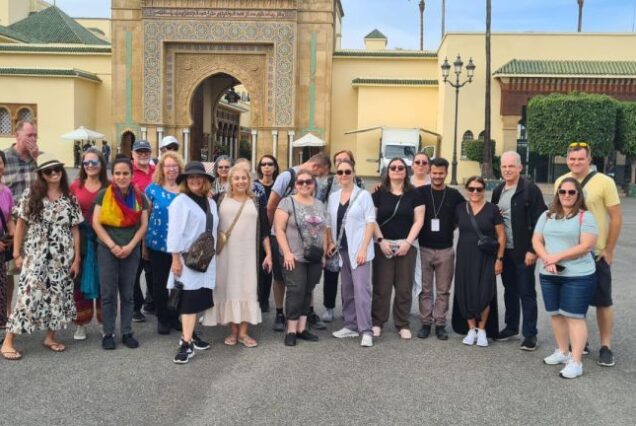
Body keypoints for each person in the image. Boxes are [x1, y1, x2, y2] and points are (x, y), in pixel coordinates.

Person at [1, 158, 82, 360]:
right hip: (36, 256)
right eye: (49, 171)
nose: (54, 174)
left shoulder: (69, 198)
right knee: (27, 296)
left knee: (58, 296)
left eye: (57, 170)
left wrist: (76, 258)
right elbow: (20, 224)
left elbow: (75, 230)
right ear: (42, 175)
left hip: (62, 258)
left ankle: (50, 337)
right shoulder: (32, 195)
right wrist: (16, 253)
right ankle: (8, 341)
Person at [555, 141, 622, 367]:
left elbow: (616, 217)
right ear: (567, 160)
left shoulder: (605, 182)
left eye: (580, 159)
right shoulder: (561, 182)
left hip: (596, 254)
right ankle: (579, 341)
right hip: (570, 254)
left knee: (603, 302)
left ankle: (606, 346)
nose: (576, 162)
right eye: (572, 159)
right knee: (574, 302)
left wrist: (609, 250)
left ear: (589, 160)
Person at [532, 177, 598, 379]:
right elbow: (536, 239)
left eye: (571, 192)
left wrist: (555, 257)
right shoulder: (547, 215)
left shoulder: (585, 217)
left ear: (578, 195)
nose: (566, 196)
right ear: (557, 194)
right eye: (563, 192)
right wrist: (546, 259)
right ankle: (562, 351)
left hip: (578, 275)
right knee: (556, 315)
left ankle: (576, 362)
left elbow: (586, 246)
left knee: (574, 317)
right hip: (550, 273)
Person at [202, 165, 271, 347]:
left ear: (249, 180)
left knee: (247, 289)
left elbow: (265, 230)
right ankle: (233, 331)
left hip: (249, 256)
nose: (240, 181)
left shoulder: (256, 201)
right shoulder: (219, 199)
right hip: (225, 255)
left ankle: (243, 333)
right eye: (237, 178)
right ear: (230, 180)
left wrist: (269, 254)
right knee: (228, 289)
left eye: (244, 178)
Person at [267, 152, 331, 332]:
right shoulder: (286, 176)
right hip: (279, 234)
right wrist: (275, 230)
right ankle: (280, 313)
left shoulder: (314, 183)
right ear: (316, 167)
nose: (314, 180)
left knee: (307, 278)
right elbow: (271, 205)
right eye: (319, 174)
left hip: (307, 237)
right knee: (280, 277)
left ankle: (308, 313)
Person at [491, 151, 547, 351]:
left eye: (511, 166)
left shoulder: (530, 190)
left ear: (520, 167)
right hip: (505, 251)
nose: (507, 170)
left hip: (524, 252)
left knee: (526, 292)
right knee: (510, 290)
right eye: (504, 166)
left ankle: (530, 334)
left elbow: (542, 221)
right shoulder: (498, 191)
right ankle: (511, 326)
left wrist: (534, 250)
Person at [93, 155, 149, 350]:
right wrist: (112, 245)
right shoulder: (103, 195)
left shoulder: (139, 197)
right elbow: (96, 223)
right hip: (108, 250)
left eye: (125, 173)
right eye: (117, 173)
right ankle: (108, 332)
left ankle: (127, 331)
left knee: (127, 294)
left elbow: (143, 225)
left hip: (130, 250)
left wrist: (131, 246)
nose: (121, 177)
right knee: (108, 294)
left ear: (131, 175)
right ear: (112, 175)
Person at [167, 161, 218, 364]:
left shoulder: (210, 202)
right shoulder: (180, 201)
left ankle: (192, 334)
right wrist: (174, 259)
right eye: (191, 177)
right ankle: (185, 343)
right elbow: (174, 232)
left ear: (205, 180)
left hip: (205, 259)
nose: (195, 180)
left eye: (199, 177)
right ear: (186, 181)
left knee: (198, 300)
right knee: (188, 301)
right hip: (187, 259)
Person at [371, 157, 425, 339]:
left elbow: (419, 220)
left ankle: (402, 323)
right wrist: (380, 241)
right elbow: (372, 220)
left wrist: (408, 243)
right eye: (392, 167)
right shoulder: (379, 193)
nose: (396, 170)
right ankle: (377, 321)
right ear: (387, 171)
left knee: (404, 287)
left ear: (406, 171)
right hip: (383, 244)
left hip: (406, 245)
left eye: (400, 167)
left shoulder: (415, 194)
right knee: (382, 286)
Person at [326, 160, 375, 347]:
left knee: (362, 291)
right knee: (346, 290)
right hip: (342, 250)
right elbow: (329, 223)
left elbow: (371, 222)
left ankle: (366, 330)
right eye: (340, 172)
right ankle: (351, 325)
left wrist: (363, 248)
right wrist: (330, 241)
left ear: (354, 173)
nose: (343, 175)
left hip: (359, 250)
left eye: (347, 171)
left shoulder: (363, 196)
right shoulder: (333, 197)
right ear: (337, 175)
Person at [452, 176, 505, 347]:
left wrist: (499, 259)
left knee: (484, 293)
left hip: (486, 257)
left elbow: (502, 237)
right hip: (464, 257)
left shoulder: (492, 210)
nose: (475, 192)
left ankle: (482, 330)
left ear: (484, 190)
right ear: (467, 189)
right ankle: (471, 329)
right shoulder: (460, 208)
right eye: (472, 189)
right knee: (465, 291)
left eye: (479, 189)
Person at [415, 157, 464, 341]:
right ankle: (426, 323)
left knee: (443, 290)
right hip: (424, 248)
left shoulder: (454, 195)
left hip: (446, 250)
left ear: (446, 173)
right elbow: (399, 196)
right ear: (430, 172)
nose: (437, 176)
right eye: (434, 173)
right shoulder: (419, 192)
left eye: (440, 173)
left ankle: (441, 324)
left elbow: (467, 214)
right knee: (425, 289)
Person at [318, 150, 364, 323]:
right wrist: (326, 239)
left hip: (351, 236)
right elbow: (318, 205)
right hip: (331, 233)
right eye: (338, 161)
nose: (342, 164)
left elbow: (364, 205)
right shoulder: (328, 182)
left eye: (346, 160)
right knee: (331, 274)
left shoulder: (359, 181)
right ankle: (329, 307)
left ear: (352, 164)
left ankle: (348, 309)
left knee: (350, 277)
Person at [69, 149, 109, 341]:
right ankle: (81, 323)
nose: (90, 166)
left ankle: (104, 322)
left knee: (104, 281)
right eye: (86, 163)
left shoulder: (109, 186)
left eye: (94, 162)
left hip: (104, 237)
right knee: (79, 282)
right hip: (81, 239)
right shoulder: (75, 186)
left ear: (101, 164)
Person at [3, 120, 39, 324]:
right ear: (16, 135)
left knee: (32, 269)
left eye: (35, 135)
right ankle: (8, 312)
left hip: (33, 224)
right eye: (29, 135)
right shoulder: (5, 158)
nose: (33, 139)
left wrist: (36, 160)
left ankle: (29, 310)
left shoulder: (37, 159)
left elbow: (47, 185)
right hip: (11, 223)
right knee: (9, 271)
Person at [145, 151, 184, 335]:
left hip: (181, 244)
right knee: (159, 283)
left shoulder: (185, 189)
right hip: (157, 243)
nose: (171, 169)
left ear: (179, 168)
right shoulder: (152, 190)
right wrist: (143, 244)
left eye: (174, 166)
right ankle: (162, 318)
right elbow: (146, 216)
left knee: (178, 282)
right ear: (161, 168)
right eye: (167, 166)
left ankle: (175, 315)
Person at [131, 139, 156, 322]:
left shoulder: (157, 173)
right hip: (135, 227)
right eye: (139, 151)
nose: (143, 154)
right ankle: (135, 307)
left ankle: (151, 302)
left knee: (153, 269)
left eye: (146, 151)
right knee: (135, 269)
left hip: (155, 228)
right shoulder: (128, 172)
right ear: (133, 154)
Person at [256, 154, 279, 312]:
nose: (267, 167)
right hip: (256, 230)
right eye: (263, 164)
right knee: (256, 264)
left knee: (268, 265)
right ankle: (255, 297)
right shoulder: (254, 186)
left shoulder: (278, 186)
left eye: (270, 164)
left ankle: (264, 299)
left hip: (273, 230)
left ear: (275, 167)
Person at [0, 151, 15, 334]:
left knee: (1, 289)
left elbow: (9, 218)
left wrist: (14, 237)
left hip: (3, 246)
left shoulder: (6, 191)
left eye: (1, 162)